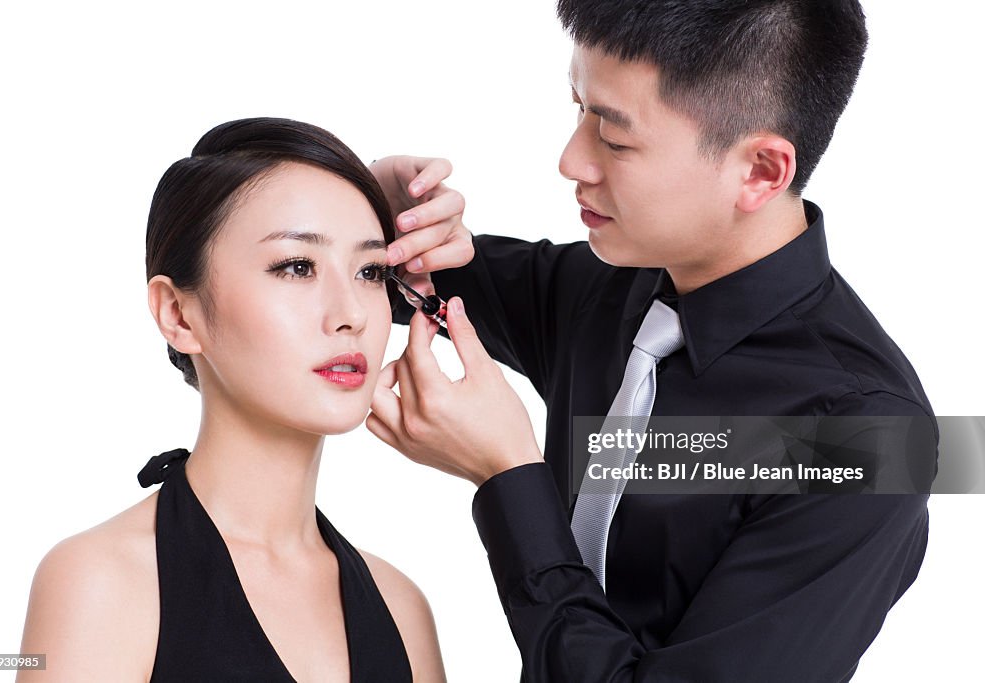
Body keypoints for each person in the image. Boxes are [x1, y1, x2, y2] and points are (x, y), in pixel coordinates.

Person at [365, 1, 938, 681]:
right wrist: (375, 211)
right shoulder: (612, 283)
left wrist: (506, 474)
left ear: (760, 170)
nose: (570, 160)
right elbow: (428, 271)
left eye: (612, 135)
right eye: (577, 109)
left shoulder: (864, 438)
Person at [17, 118, 446, 682]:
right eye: (297, 266)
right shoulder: (101, 582)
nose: (354, 313)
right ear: (177, 313)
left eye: (370, 271)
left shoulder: (402, 607)